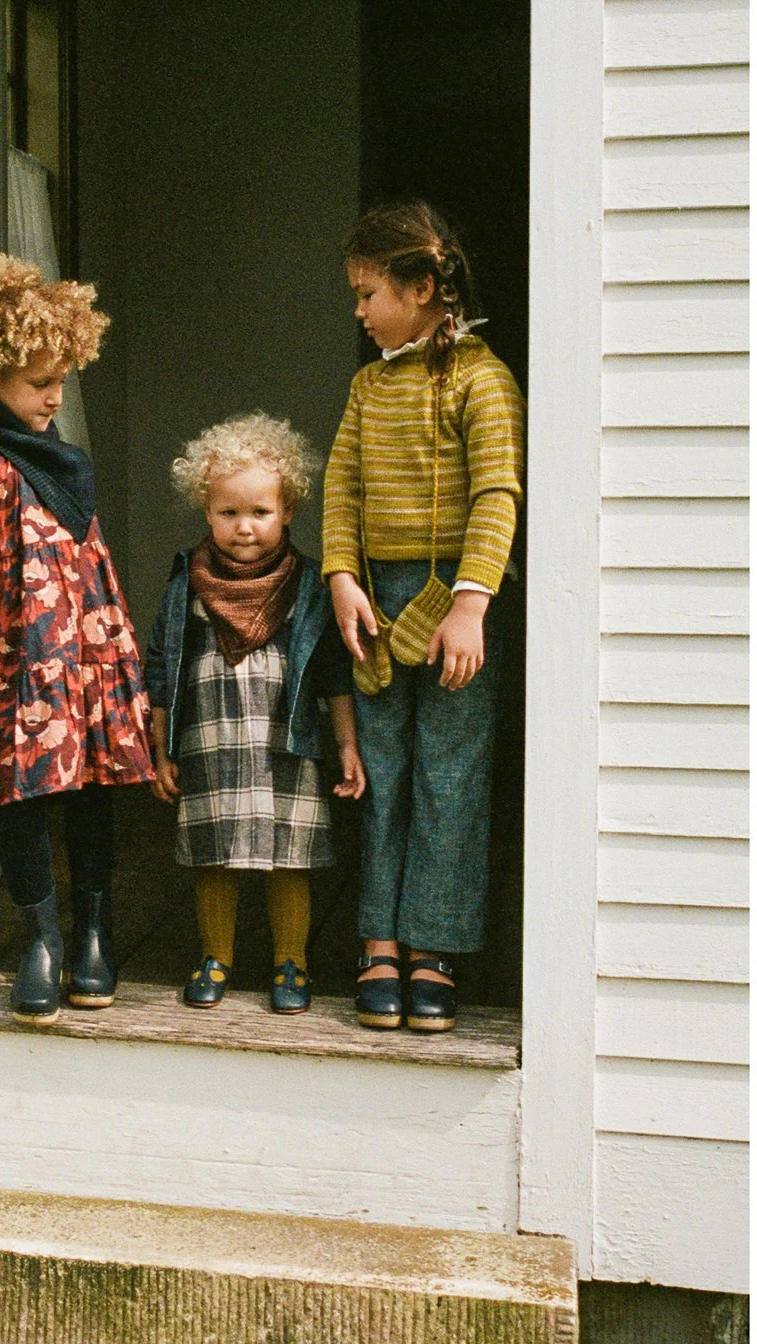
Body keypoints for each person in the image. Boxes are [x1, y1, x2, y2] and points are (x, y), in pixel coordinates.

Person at [0, 254, 155, 1024]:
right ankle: (41, 938)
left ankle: (93, 932)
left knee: (92, 786)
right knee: (22, 794)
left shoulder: (65, 460)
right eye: (38, 383)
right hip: (16, 660)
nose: (56, 396)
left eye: (62, 379)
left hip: (84, 655)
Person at [325, 201, 525, 1033]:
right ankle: (378, 939)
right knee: (382, 773)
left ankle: (433, 947)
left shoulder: (483, 380)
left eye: (368, 293)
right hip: (376, 603)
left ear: (422, 289)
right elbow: (341, 486)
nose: (360, 311)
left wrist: (473, 604)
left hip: (454, 606)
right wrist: (342, 577)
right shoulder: (368, 387)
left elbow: (497, 494)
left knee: (450, 775)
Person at [145, 415, 366, 1016]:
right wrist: (160, 750)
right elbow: (161, 668)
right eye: (228, 512)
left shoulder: (308, 585)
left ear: (288, 510)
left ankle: (291, 961)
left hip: (284, 743)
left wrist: (346, 745)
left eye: (260, 512)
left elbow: (333, 673)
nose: (244, 527)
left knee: (287, 857)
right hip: (209, 738)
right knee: (214, 854)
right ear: (206, 510)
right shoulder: (187, 584)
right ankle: (215, 957)